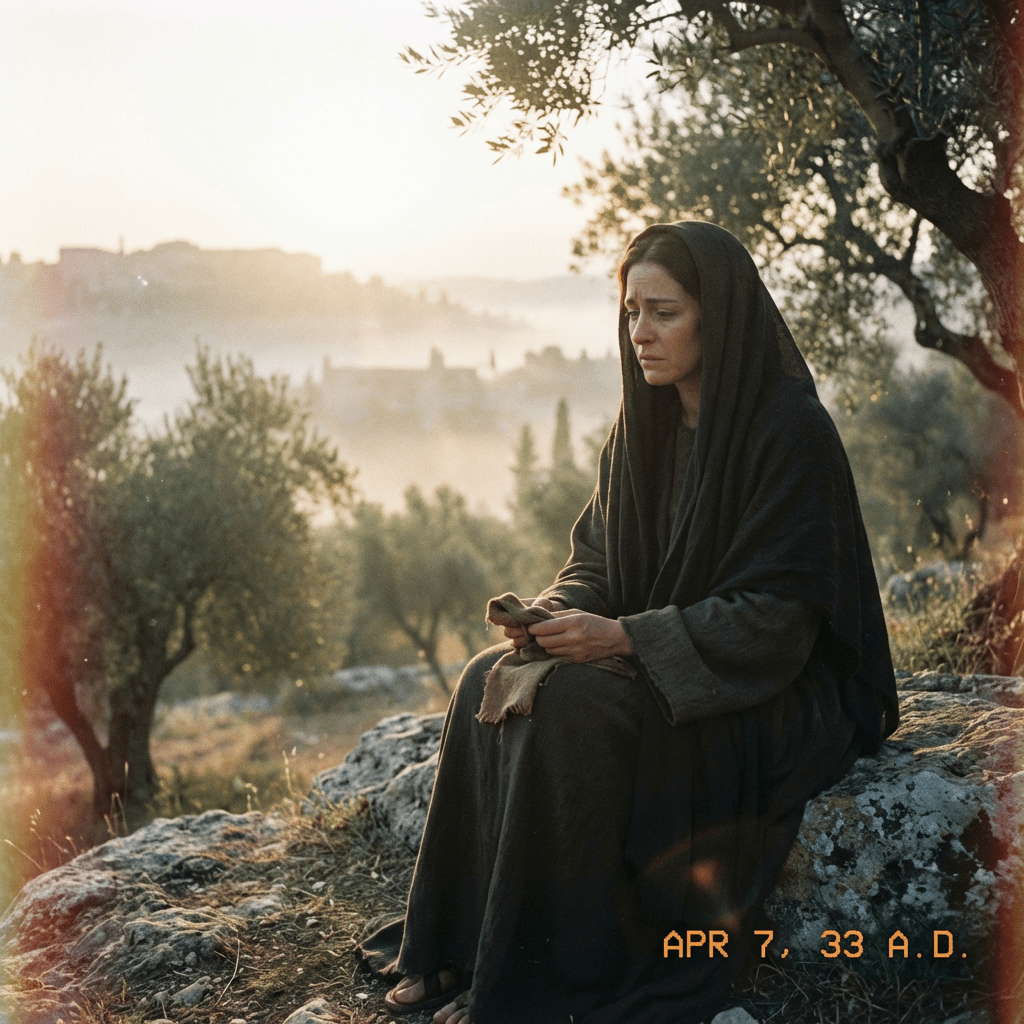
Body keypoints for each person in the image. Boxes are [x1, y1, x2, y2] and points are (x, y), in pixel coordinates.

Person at [359, 221, 898, 1024]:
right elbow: (598, 564)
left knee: (570, 710)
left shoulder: (791, 432)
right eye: (629, 312)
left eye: (664, 312)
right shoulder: (640, 429)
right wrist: (558, 613)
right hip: (665, 658)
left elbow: (779, 620)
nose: (640, 332)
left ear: (719, 316)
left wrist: (629, 639)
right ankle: (465, 945)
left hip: (760, 689)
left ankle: (543, 974)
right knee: (486, 675)